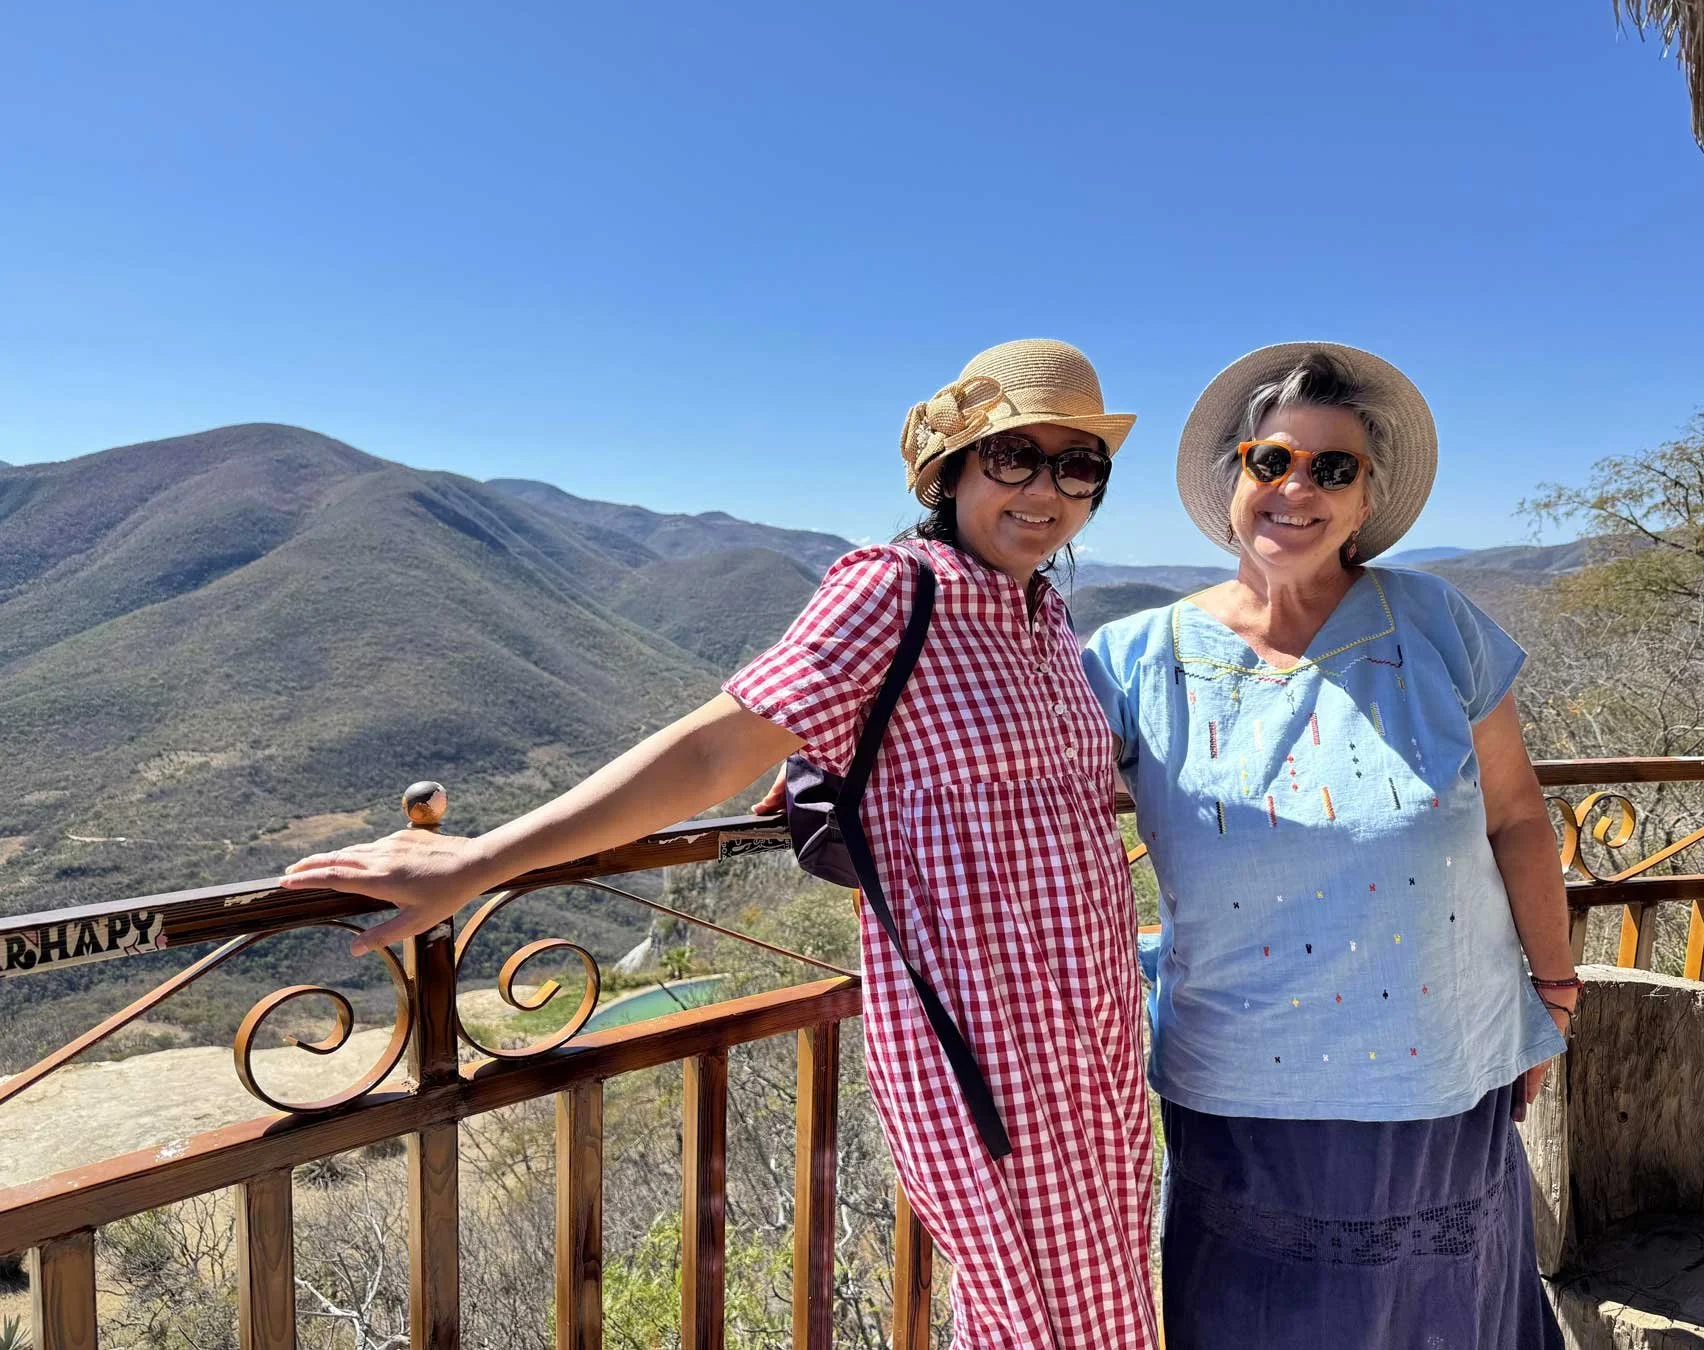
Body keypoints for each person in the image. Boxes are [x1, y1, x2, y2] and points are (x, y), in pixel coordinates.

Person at [282, 339, 1159, 1349]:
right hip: (974, 1039)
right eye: (1015, 457)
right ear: (953, 469)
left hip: (1090, 1037)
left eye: (1077, 465)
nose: (1047, 490)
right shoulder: (894, 590)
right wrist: (485, 863)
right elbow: (711, 753)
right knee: (1035, 1323)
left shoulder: (1044, 617)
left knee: (1102, 1307)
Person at [1082, 342, 1576, 1350]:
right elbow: (1014, 786)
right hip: (1245, 1096)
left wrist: (1555, 993)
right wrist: (842, 745)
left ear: (1364, 500)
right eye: (1272, 461)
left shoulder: (1436, 625)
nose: (1297, 488)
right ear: (1233, 481)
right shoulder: (1133, 662)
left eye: (1332, 468)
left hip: (1446, 1074)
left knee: (1447, 1316)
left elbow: (1519, 815)